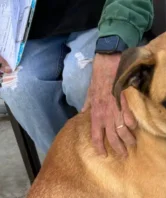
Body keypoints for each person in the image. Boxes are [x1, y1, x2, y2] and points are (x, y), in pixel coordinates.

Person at [0, 0, 154, 156]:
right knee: (19, 88)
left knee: (80, 80)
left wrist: (113, 45)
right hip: (30, 25)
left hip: (106, 15)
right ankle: (69, 167)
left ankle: (126, 162)